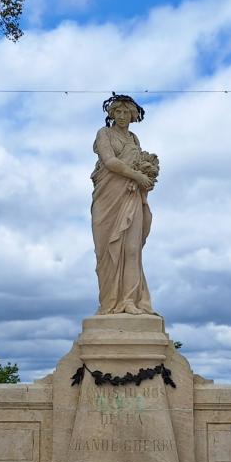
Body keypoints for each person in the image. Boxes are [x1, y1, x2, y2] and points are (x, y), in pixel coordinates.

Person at [90, 94, 160, 315]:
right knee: (106, 253)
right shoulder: (104, 134)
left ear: (132, 115)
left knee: (132, 250)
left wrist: (144, 177)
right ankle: (110, 302)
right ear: (112, 114)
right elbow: (110, 162)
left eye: (126, 112)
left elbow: (138, 164)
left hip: (131, 196)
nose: (121, 116)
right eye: (117, 112)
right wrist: (138, 176)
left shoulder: (134, 139)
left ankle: (130, 301)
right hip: (108, 197)